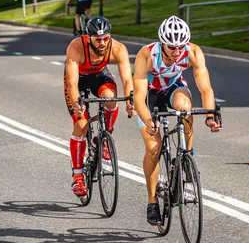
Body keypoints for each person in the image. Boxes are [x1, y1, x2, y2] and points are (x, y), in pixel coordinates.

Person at [133, 15, 221, 226]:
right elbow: (138, 97)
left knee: (185, 108)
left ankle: (187, 155)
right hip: (150, 94)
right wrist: (148, 120)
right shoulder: (147, 55)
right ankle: (152, 200)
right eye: (172, 46)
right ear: (162, 43)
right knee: (154, 147)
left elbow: (205, 87)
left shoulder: (192, 52)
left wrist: (210, 116)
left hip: (173, 87)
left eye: (181, 45)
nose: (177, 51)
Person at [64, 16, 135, 197]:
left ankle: (104, 137)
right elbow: (72, 83)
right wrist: (77, 104)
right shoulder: (76, 47)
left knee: (111, 98)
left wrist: (130, 100)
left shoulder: (118, 48)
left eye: (106, 38)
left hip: (99, 75)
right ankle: (78, 177)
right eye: (98, 39)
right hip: (78, 79)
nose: (103, 43)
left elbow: (127, 79)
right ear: (89, 38)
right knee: (81, 125)